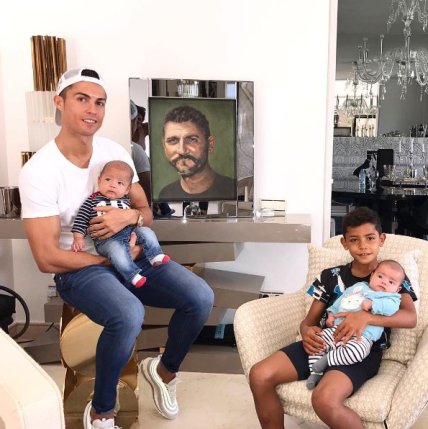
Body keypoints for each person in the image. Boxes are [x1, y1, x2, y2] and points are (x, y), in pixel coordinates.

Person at [19, 68, 214, 429]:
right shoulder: (39, 170)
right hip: (79, 268)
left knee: (200, 296)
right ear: (59, 102)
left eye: (100, 102)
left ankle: (164, 372)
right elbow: (47, 258)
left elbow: (146, 213)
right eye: (82, 99)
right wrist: (110, 261)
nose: (92, 110)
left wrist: (130, 219)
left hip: (131, 252)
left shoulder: (114, 152)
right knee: (128, 313)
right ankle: (102, 411)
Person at [248, 206, 417, 429]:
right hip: (324, 341)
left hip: (361, 351)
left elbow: (410, 318)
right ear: (344, 243)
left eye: (370, 238)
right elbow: (309, 322)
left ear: (381, 239)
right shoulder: (330, 276)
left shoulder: (393, 277)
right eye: (354, 240)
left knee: (324, 399)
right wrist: (307, 332)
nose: (363, 246)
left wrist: (366, 318)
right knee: (259, 375)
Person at [306, 259, 404, 389]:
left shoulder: (391, 298)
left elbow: (391, 308)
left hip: (362, 336)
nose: (384, 282)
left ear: (398, 289)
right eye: (380, 277)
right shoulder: (358, 287)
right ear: (372, 275)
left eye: (391, 282)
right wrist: (331, 314)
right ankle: (315, 373)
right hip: (338, 329)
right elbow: (341, 300)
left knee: (357, 353)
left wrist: (373, 304)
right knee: (317, 342)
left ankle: (326, 360)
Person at [71, 160, 170, 288]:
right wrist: (78, 238)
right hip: (106, 240)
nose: (112, 185)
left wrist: (133, 217)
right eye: (108, 180)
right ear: (99, 180)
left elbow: (143, 215)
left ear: (127, 189)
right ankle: (132, 274)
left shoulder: (126, 201)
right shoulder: (92, 201)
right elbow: (81, 219)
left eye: (119, 183)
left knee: (147, 231)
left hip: (129, 233)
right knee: (117, 251)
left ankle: (155, 255)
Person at [158, 105, 236, 200]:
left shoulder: (234, 190)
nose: (182, 150)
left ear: (210, 144)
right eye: (173, 140)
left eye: (192, 140)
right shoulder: (166, 194)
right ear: (164, 145)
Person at [130, 100, 175, 217]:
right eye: (137, 119)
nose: (138, 122)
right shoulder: (133, 145)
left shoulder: (142, 129)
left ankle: (165, 210)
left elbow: (161, 128)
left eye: (141, 119)